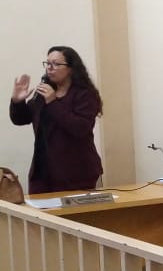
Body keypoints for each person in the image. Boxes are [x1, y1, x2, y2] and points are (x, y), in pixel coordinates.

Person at [9, 46, 103, 194]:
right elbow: (21, 119)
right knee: (38, 209)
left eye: (56, 64)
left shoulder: (85, 94)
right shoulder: (44, 92)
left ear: (71, 69)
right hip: (42, 172)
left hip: (76, 172)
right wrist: (17, 101)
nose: (49, 68)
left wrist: (53, 102)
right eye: (47, 63)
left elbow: (80, 128)